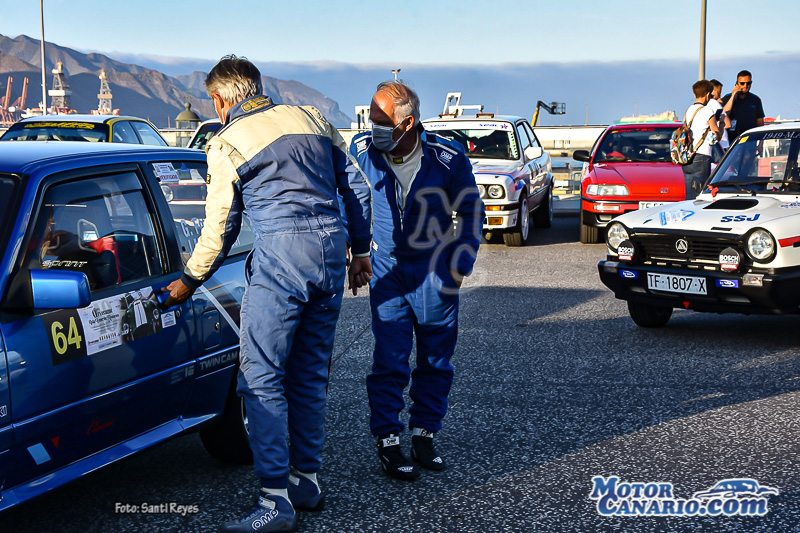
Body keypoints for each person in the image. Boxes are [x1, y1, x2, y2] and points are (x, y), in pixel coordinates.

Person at [163, 55, 372, 533]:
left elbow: (220, 228)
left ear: (219, 101)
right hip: (330, 255)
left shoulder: (226, 142)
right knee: (309, 371)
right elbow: (356, 187)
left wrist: (190, 280)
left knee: (259, 377)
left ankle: (274, 501)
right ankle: (307, 480)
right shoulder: (312, 118)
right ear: (256, 87)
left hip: (281, 256)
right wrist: (360, 252)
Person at [350, 82, 484, 481]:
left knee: (435, 360)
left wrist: (458, 266)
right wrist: (355, 250)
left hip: (434, 276)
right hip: (387, 273)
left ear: (407, 123)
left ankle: (424, 433)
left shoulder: (447, 159)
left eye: (379, 121)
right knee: (389, 360)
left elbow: (471, 214)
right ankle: (388, 440)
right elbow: (347, 198)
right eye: (369, 119)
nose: (370, 128)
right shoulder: (362, 152)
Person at [681, 79, 720, 199]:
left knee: (690, 195)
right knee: (700, 195)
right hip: (702, 156)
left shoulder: (688, 111)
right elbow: (716, 136)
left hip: (687, 157)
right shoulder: (707, 111)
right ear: (708, 94)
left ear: (695, 94)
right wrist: (722, 123)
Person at [722, 70, 765, 142]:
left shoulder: (755, 99)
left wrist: (761, 142)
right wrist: (733, 96)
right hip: (732, 139)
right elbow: (724, 114)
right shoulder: (727, 98)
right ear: (737, 83)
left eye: (748, 83)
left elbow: (760, 122)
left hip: (750, 140)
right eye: (742, 83)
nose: (745, 86)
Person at [708, 79, 730, 151]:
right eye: (718, 92)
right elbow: (728, 124)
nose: (720, 95)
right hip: (721, 145)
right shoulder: (715, 104)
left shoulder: (704, 105)